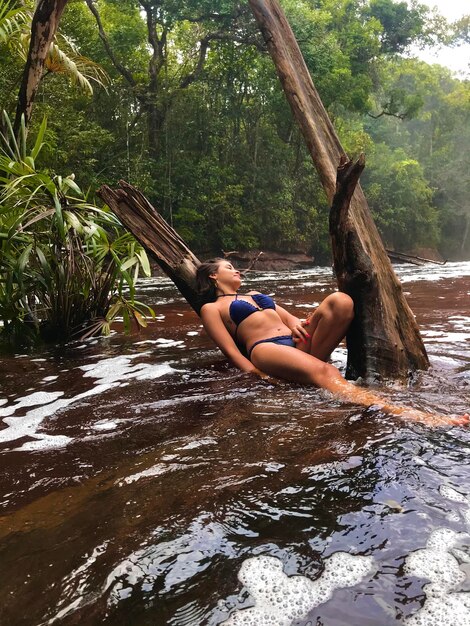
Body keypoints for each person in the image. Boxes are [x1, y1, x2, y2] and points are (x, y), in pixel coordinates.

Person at [196, 258, 469, 427]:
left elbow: (291, 319)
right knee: (328, 372)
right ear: (213, 276)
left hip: (296, 342)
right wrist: (261, 376)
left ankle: (320, 374)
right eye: (229, 268)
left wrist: (297, 325)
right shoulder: (212, 309)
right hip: (267, 349)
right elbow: (232, 353)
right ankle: (416, 416)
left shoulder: (255, 294)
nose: (237, 271)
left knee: (341, 301)